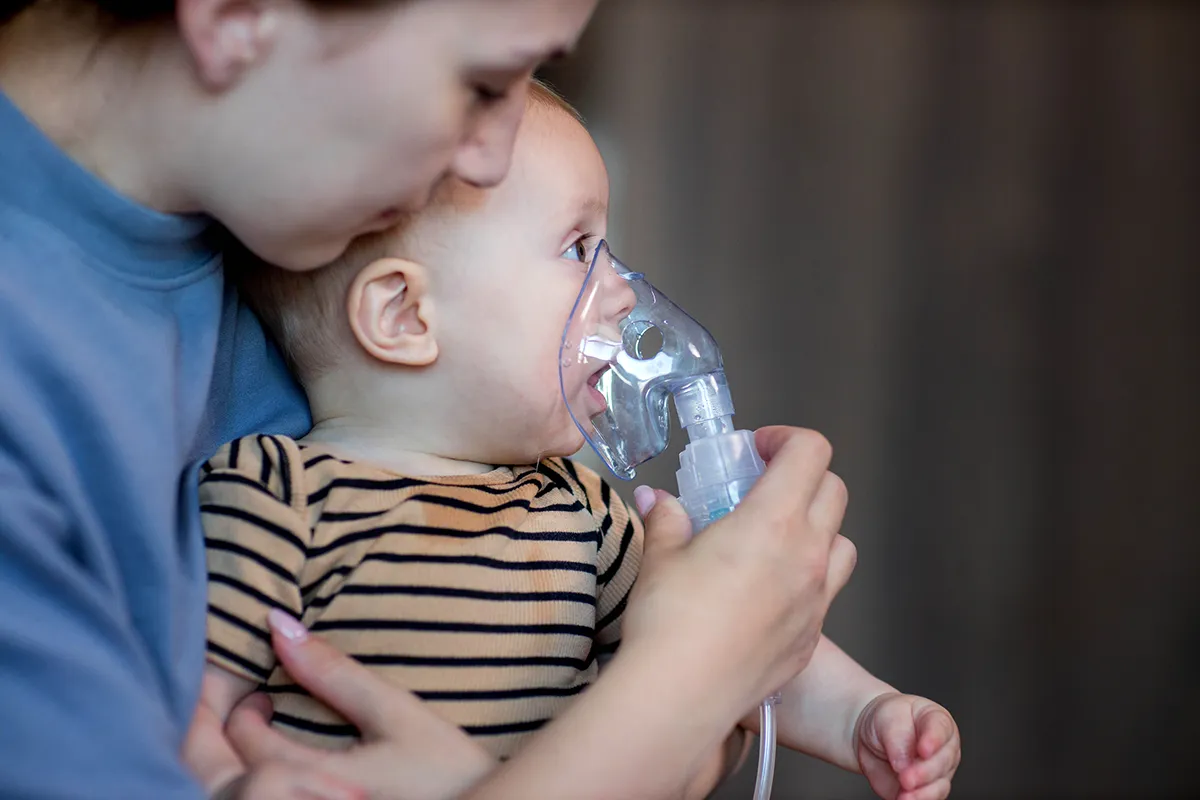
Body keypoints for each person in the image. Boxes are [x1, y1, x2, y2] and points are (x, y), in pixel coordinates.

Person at [0, 1, 855, 798]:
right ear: (238, 15)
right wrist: (688, 684)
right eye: (484, 83)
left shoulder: (284, 215)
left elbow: (691, 719)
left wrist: (717, 696)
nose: (486, 157)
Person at [187, 82, 961, 800]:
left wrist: (864, 713)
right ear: (405, 317)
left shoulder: (580, 511)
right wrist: (227, 785)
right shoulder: (277, 492)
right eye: (576, 248)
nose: (620, 290)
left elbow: (738, 647)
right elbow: (190, 708)